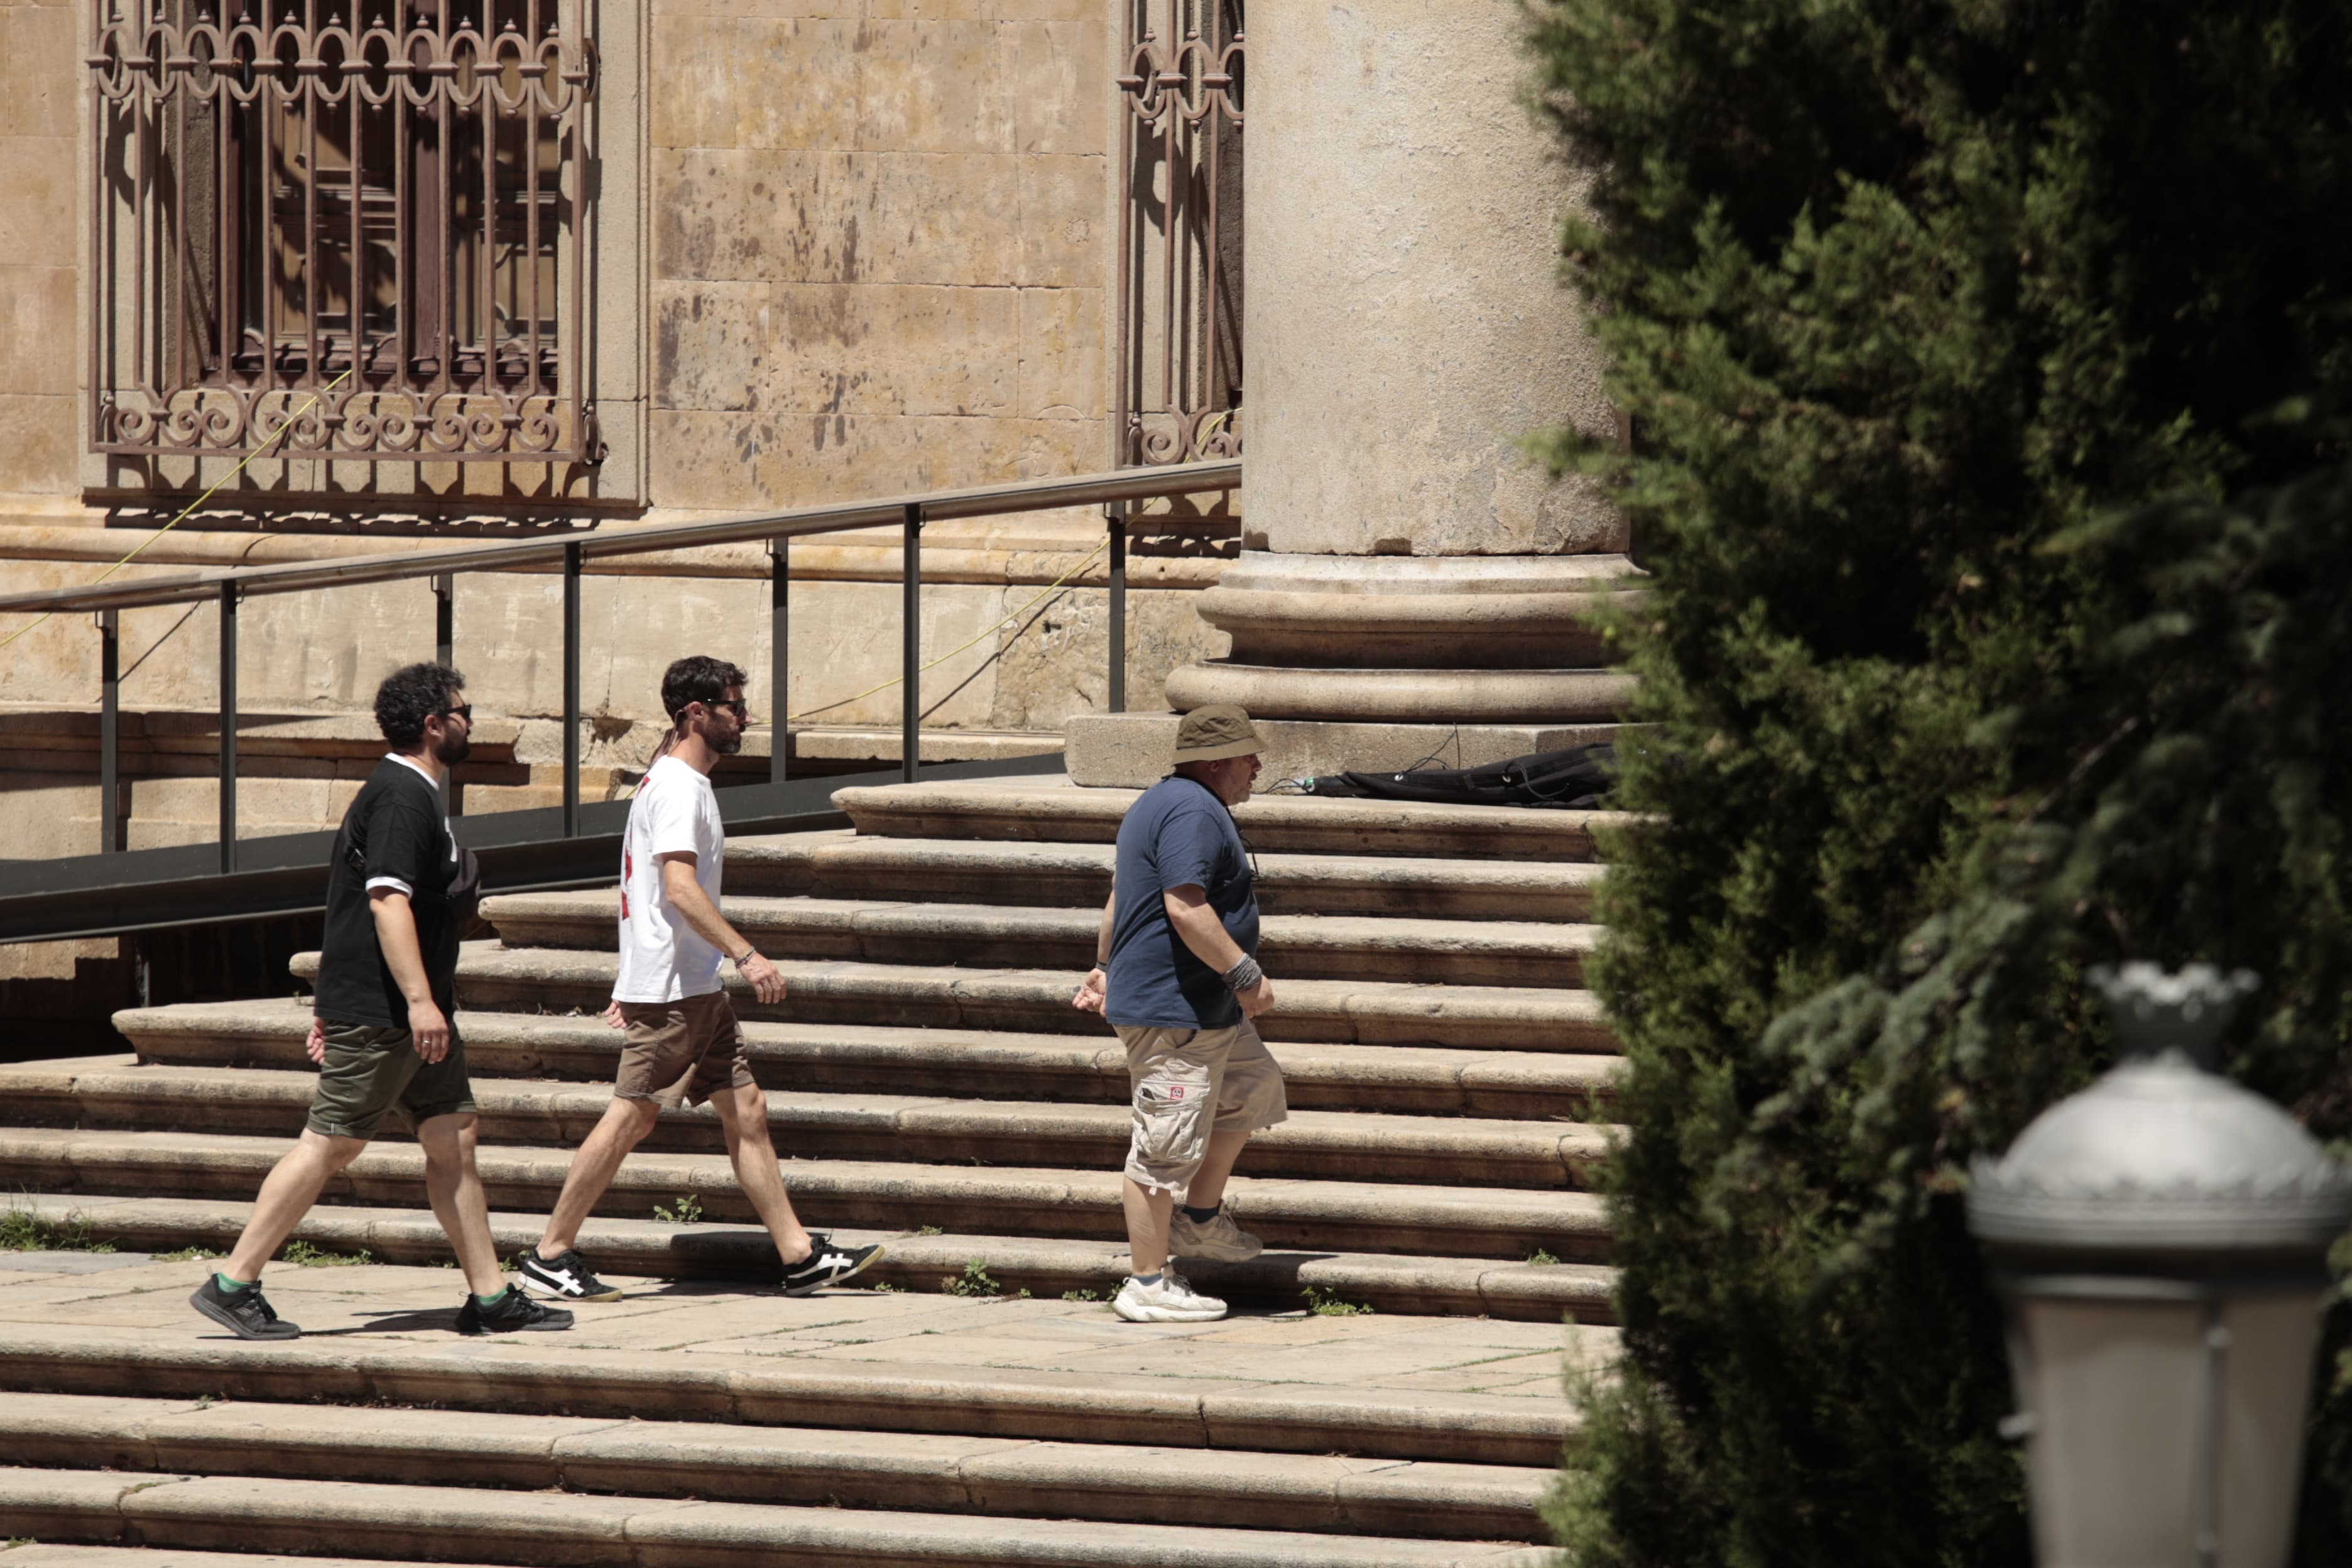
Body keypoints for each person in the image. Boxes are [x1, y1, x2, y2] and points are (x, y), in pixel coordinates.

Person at [189, 663, 573, 1340]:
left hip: (408, 1011)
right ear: (433, 724)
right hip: (391, 1013)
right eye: (463, 711)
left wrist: (375, 1000)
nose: (471, 722)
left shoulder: (412, 791)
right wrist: (416, 1003)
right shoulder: (401, 797)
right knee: (330, 1144)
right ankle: (233, 1283)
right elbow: (385, 901)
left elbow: (347, 905)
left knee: (453, 1136)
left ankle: (490, 1298)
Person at [516, 655, 884, 1302]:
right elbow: (678, 889)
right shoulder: (680, 788)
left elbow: (639, 889)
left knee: (747, 1109)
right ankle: (550, 1253)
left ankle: (799, 1256)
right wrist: (747, 955)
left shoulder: (671, 778)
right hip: (674, 992)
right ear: (695, 713)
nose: (745, 717)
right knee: (631, 1117)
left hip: (693, 986)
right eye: (733, 707)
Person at [1074, 704, 1288, 1324]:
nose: (1257, 766)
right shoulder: (1192, 811)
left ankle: (1198, 1218)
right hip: (1176, 1009)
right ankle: (1146, 1282)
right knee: (1164, 1147)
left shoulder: (1164, 802)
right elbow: (1184, 906)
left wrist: (1104, 965)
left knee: (1253, 1087)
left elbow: (1122, 894)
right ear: (1214, 762)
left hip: (1199, 1006)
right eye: (1247, 756)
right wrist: (1244, 974)